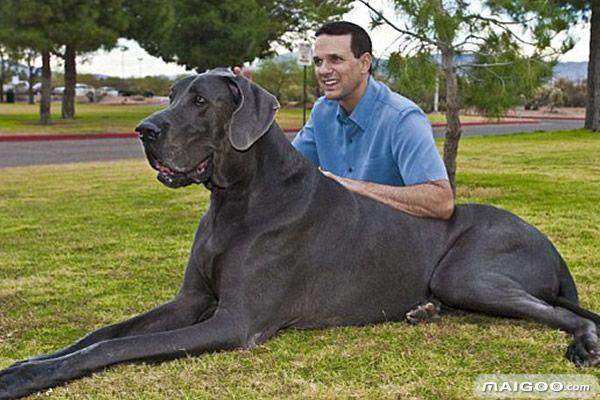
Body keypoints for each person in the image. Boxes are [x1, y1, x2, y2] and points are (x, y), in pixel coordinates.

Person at [292, 21, 454, 220]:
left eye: (335, 59)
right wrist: (245, 102)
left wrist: (353, 188)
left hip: (395, 242)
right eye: (318, 61)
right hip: (340, 238)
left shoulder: (403, 119)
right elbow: (285, 169)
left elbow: (441, 201)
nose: (324, 70)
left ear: (365, 63)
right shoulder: (322, 112)